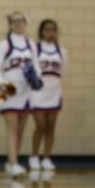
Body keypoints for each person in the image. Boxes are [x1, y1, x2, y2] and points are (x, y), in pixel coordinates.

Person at [0, 11, 42, 178]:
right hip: (7, 88)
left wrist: (37, 78)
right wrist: (3, 86)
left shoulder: (31, 44)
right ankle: (13, 164)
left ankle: (11, 163)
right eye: (14, 21)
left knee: (21, 130)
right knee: (12, 129)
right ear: (10, 24)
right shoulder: (4, 44)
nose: (18, 24)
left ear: (26, 23)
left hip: (26, 90)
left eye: (21, 21)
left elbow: (37, 65)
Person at [28, 19, 66, 173]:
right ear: (41, 32)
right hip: (38, 92)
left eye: (53, 30)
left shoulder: (61, 50)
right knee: (40, 125)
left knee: (51, 127)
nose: (50, 33)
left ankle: (47, 157)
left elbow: (63, 71)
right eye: (47, 30)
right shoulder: (34, 49)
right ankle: (34, 156)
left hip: (54, 91)